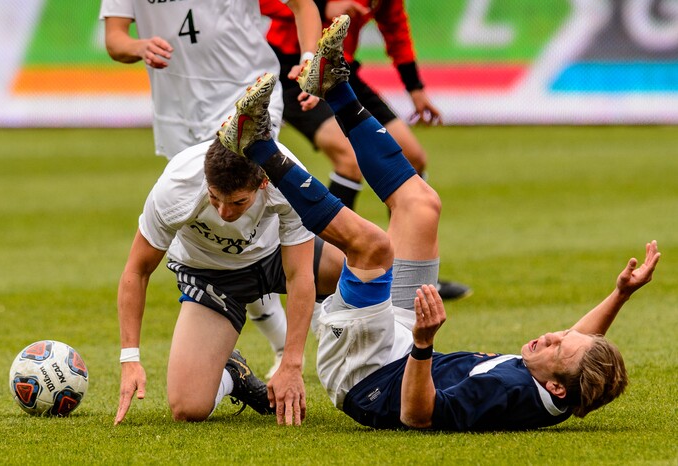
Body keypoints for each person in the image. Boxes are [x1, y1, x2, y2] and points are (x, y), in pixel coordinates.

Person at [216, 15, 661, 430]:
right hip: (402, 339)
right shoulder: (561, 382)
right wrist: (620, 294)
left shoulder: (507, 395)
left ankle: (255, 144)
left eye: (558, 344)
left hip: (367, 373)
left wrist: (425, 342)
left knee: (372, 247)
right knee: (421, 205)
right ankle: (334, 87)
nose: (552, 335)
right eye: (562, 335)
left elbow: (417, 414)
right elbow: (581, 347)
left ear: (556, 387)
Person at [99, 0, 322, 377]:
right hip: (178, 114)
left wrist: (309, 59)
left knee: (245, 219)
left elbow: (303, 5)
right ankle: (272, 342)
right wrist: (139, 47)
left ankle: (299, 338)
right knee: (225, 226)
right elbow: (115, 38)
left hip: (247, 94)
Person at [114, 73, 348, 427]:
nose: (224, 212)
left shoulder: (285, 178)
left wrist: (291, 364)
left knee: (357, 266)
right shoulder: (176, 188)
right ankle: (233, 374)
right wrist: (130, 357)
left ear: (263, 182)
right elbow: (136, 270)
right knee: (187, 408)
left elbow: (300, 273)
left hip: (273, 258)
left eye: (238, 202)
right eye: (215, 199)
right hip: (211, 277)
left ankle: (372, 363)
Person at [259, 0, 472, 301]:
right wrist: (325, 6)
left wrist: (415, 89)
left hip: (339, 70)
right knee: (348, 160)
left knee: (413, 156)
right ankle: (328, 273)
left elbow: (395, 27)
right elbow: (280, 5)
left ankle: (411, 276)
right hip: (292, 70)